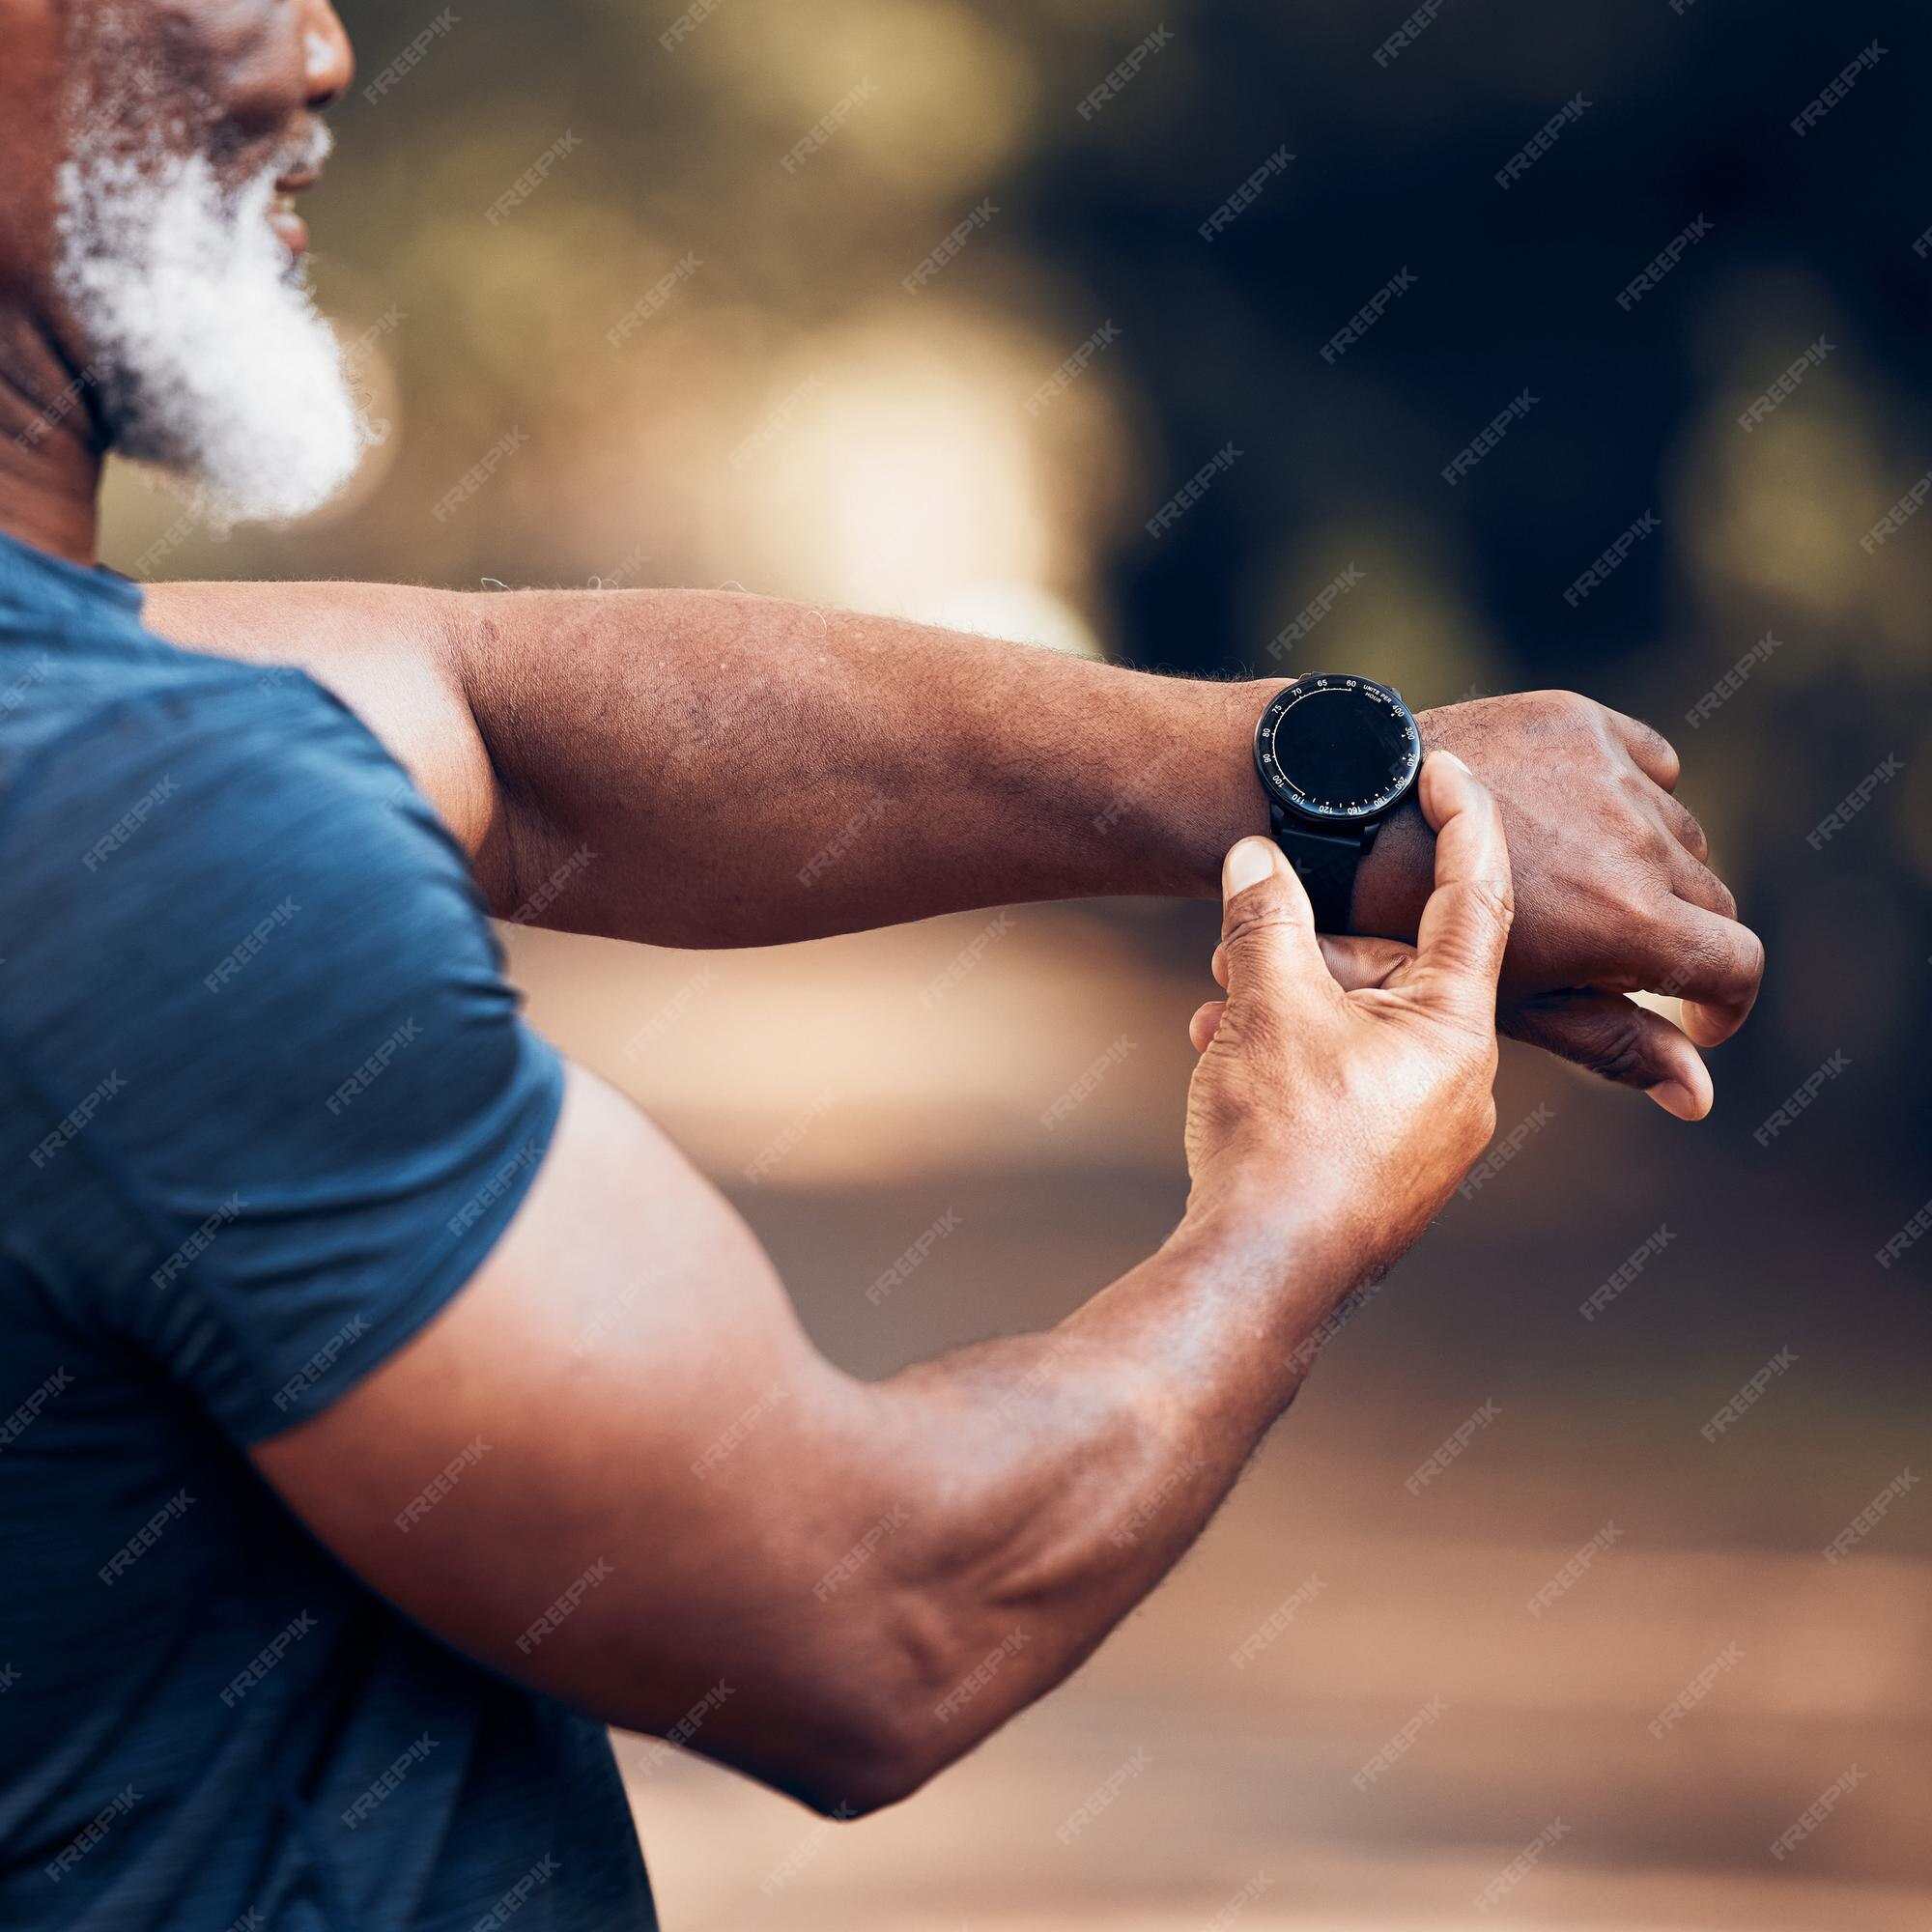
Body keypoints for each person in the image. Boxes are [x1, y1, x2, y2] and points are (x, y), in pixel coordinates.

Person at [0, 3, 1762, 1927]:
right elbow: (871, 1618)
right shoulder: (132, 829)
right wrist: (1294, 1202)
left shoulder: (89, 746)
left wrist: (1345, 784)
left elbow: (499, 720)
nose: (316, 48)